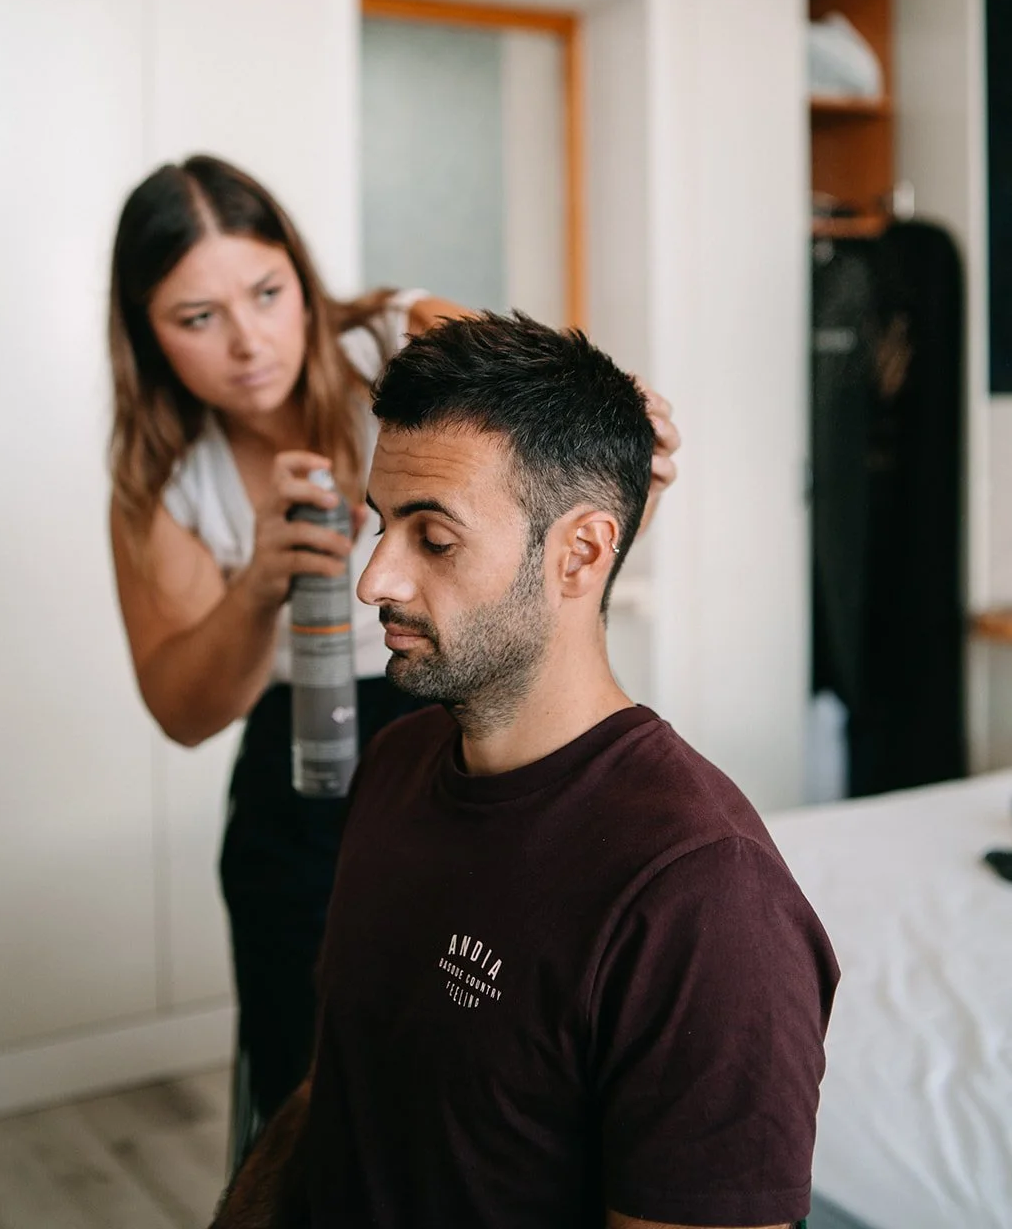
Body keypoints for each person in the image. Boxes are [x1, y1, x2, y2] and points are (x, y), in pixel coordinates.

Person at [107, 157, 680, 1172]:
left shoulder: (400, 340)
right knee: (311, 1088)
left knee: (484, 1058)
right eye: (195, 317)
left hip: (466, 726)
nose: (246, 342)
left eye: (267, 293)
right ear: (146, 334)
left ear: (301, 271)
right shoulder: (164, 477)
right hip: (302, 778)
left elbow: (543, 492)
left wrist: (630, 459)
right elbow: (184, 710)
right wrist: (256, 585)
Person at [212, 311, 839, 1229]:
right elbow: (335, 1086)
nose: (373, 579)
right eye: (382, 526)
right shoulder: (394, 764)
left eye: (433, 538)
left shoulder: (702, 901)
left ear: (580, 551)